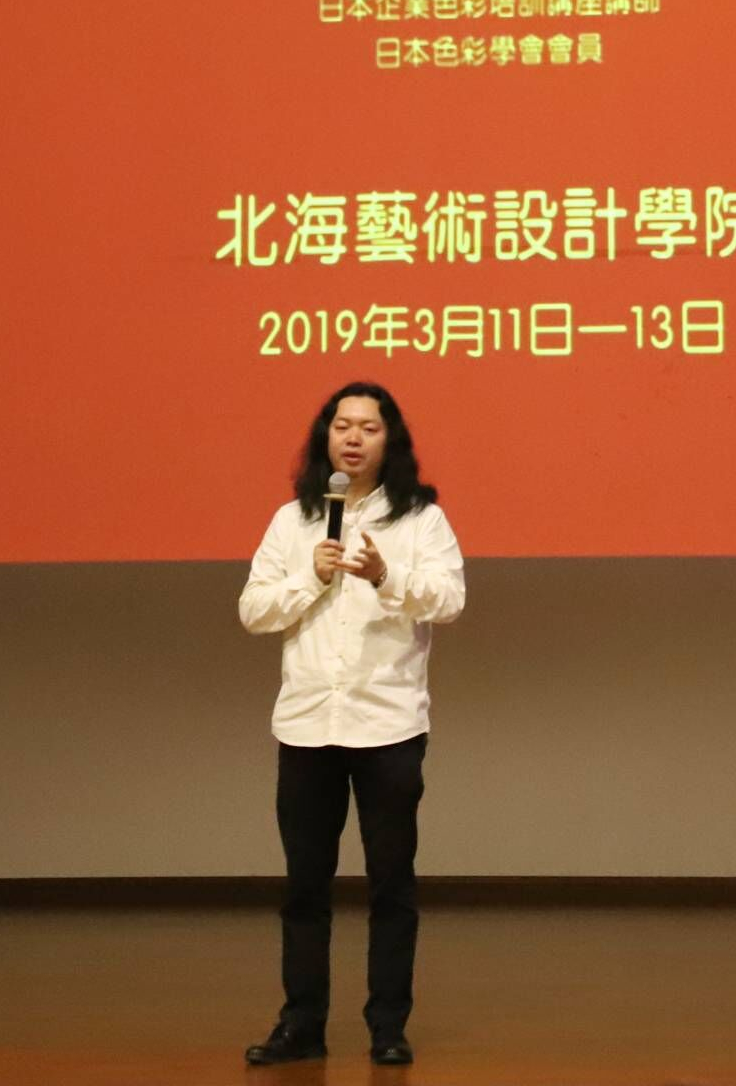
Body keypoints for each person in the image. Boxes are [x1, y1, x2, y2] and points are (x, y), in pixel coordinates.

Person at [238, 381, 467, 1067]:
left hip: (388, 725)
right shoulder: (293, 521)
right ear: (325, 437)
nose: (354, 438)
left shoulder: (421, 520)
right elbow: (253, 611)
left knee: (391, 885)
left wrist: (387, 574)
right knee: (304, 887)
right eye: (343, 426)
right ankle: (301, 1025)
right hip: (308, 726)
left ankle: (387, 1027)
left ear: (390, 441)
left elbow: (450, 600)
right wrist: (310, 577)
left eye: (369, 427)